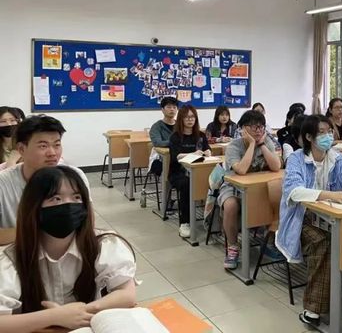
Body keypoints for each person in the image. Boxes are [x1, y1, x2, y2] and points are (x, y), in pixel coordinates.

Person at [0, 166, 136, 331]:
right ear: (34, 206)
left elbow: (127, 294)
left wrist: (79, 313)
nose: (68, 205)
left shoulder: (103, 243)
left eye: (76, 197)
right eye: (56, 198)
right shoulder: (12, 258)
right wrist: (55, 316)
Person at [276, 115, 342, 326]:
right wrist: (331, 195)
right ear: (309, 137)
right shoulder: (297, 159)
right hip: (301, 219)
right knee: (325, 242)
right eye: (321, 132)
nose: (327, 136)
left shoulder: (336, 157)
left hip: (331, 217)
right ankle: (313, 308)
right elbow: (294, 191)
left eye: (329, 131)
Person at [0, 115, 90, 229]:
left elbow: (87, 224)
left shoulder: (74, 177)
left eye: (57, 145)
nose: (52, 153)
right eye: (43, 146)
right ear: (22, 149)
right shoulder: (3, 184)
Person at [219, 110, 281, 270]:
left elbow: (276, 166)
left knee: (276, 197)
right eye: (254, 127)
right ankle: (232, 247)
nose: (258, 131)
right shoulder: (234, 146)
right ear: (243, 129)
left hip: (257, 187)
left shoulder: (266, 142)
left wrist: (261, 144)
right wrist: (252, 144)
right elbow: (241, 170)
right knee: (230, 206)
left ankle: (268, 239)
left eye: (261, 127)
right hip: (233, 187)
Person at [169, 105, 211, 238]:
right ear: (181, 119)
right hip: (178, 173)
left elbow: (207, 150)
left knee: (215, 182)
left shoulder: (201, 135)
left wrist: (207, 152)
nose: (190, 120)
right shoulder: (175, 137)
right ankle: (185, 222)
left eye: (192, 117)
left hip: (198, 171)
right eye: (186, 117)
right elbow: (176, 156)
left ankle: (213, 221)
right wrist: (193, 154)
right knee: (187, 185)